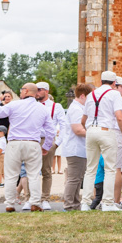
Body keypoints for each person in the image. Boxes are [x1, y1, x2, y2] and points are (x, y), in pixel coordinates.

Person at [0, 83, 56, 212]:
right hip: (33, 143)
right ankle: (35, 202)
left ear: (26, 91)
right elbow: (51, 130)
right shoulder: (42, 109)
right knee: (34, 174)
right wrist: (46, 146)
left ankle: (10, 203)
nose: (20, 92)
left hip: (14, 143)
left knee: (11, 175)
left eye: (21, 90)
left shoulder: (14, 105)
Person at [80, 71, 122, 213]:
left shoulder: (91, 95)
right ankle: (108, 203)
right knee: (110, 168)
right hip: (106, 130)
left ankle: (85, 203)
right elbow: (120, 118)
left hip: (91, 130)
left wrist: (90, 128)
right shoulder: (114, 94)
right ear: (114, 83)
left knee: (90, 168)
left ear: (101, 81)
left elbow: (83, 120)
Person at [60, 83, 93, 210]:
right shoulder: (76, 109)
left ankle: (75, 203)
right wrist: (94, 132)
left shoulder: (79, 108)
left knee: (78, 178)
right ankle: (69, 204)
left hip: (79, 149)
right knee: (73, 178)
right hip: (75, 148)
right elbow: (78, 130)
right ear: (83, 96)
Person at [36, 82, 66, 211]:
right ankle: (32, 199)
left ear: (46, 91)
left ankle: (45, 198)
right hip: (33, 139)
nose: (36, 92)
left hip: (48, 140)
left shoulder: (55, 106)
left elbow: (64, 125)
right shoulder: (32, 104)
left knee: (46, 171)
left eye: (39, 90)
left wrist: (57, 143)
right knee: (31, 171)